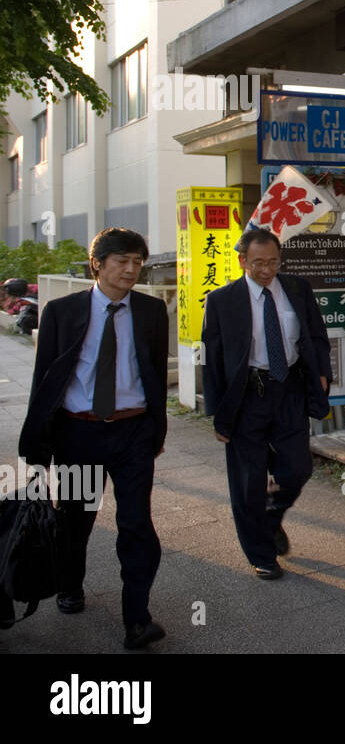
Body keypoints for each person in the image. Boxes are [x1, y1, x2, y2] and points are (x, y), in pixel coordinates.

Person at [18, 228, 169, 650]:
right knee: (75, 518)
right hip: (78, 432)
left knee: (136, 524)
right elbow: (45, 377)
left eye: (138, 261)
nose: (131, 268)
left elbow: (154, 374)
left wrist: (155, 431)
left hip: (133, 432)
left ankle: (136, 619)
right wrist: (38, 444)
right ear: (97, 264)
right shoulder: (62, 312)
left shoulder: (151, 311)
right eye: (122, 260)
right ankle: (70, 585)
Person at [201, 228, 332, 580]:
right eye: (258, 263)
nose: (267, 270)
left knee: (297, 467)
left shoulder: (296, 289)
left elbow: (316, 335)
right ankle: (261, 554)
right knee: (249, 479)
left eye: (273, 262)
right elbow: (211, 359)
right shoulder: (221, 301)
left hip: (288, 388)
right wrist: (216, 415)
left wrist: (321, 373)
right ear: (242, 260)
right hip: (246, 395)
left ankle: (271, 519)